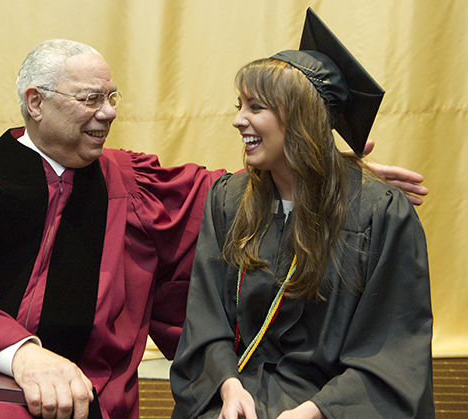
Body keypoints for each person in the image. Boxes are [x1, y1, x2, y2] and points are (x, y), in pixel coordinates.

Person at [0, 38, 427, 419]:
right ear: (34, 103)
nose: (108, 112)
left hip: (92, 395)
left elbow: (235, 189)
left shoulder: (131, 185)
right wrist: (19, 354)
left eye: (112, 97)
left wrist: (322, 169)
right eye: (90, 99)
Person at [170, 9, 434, 419]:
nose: (238, 120)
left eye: (256, 107)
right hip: (236, 394)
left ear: (302, 118)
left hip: (332, 402)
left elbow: (393, 348)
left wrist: (316, 411)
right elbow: (206, 321)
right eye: (239, 105)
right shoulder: (229, 200)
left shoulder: (380, 213)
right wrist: (227, 386)